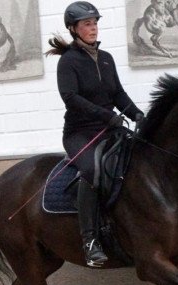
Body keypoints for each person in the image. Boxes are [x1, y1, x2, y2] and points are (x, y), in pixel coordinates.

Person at [46, 2, 144, 267]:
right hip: (80, 133)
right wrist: (106, 115)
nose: (93, 28)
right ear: (74, 29)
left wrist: (137, 114)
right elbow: (71, 98)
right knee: (92, 171)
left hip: (109, 129)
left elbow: (118, 94)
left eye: (95, 23)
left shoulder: (106, 58)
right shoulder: (68, 62)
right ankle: (89, 240)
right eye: (87, 24)